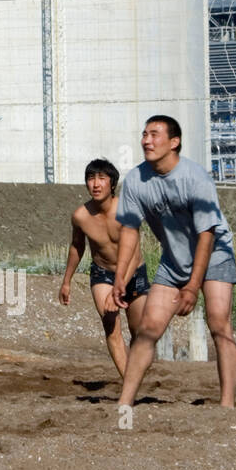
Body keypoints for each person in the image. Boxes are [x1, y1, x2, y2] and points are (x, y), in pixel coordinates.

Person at [113, 116, 236, 408]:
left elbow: (206, 234)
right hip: (173, 260)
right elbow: (130, 231)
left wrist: (193, 287)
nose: (146, 140)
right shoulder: (135, 180)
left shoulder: (195, 177)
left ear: (174, 142)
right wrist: (121, 277)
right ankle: (124, 403)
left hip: (215, 253)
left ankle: (227, 406)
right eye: (144, 134)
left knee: (219, 324)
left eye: (155, 134)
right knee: (148, 330)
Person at [59, 158, 149, 379]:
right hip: (103, 274)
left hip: (133, 273)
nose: (96, 184)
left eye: (101, 178)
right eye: (91, 179)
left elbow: (134, 253)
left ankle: (135, 369)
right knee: (111, 327)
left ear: (112, 183)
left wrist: (119, 287)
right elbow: (77, 246)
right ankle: (129, 383)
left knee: (140, 334)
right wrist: (66, 281)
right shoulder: (80, 216)